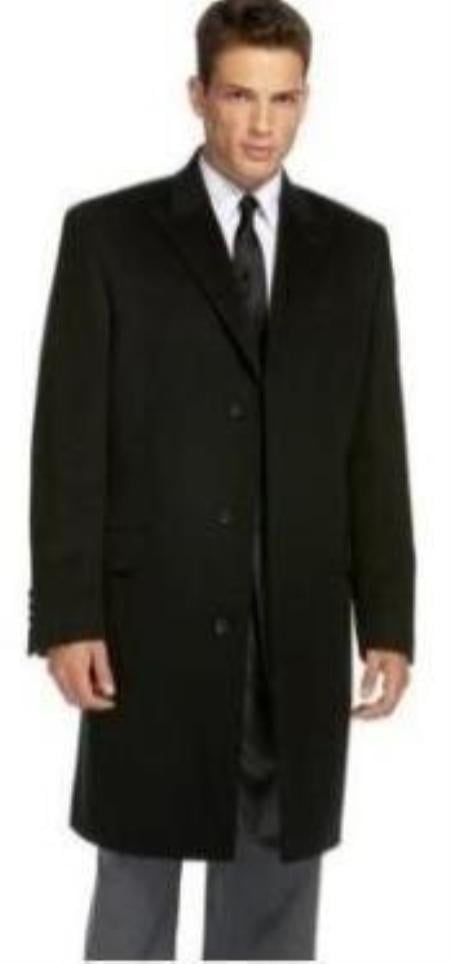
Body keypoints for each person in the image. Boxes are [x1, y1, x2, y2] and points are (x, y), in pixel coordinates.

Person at [27, 0, 416, 959]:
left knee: (276, 900)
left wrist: (389, 619)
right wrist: (68, 615)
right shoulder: (109, 237)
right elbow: (68, 442)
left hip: (296, 622)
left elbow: (375, 445)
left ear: (306, 100)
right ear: (197, 94)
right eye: (240, 96)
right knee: (134, 890)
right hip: (149, 623)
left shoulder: (355, 251)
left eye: (283, 100)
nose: (261, 125)